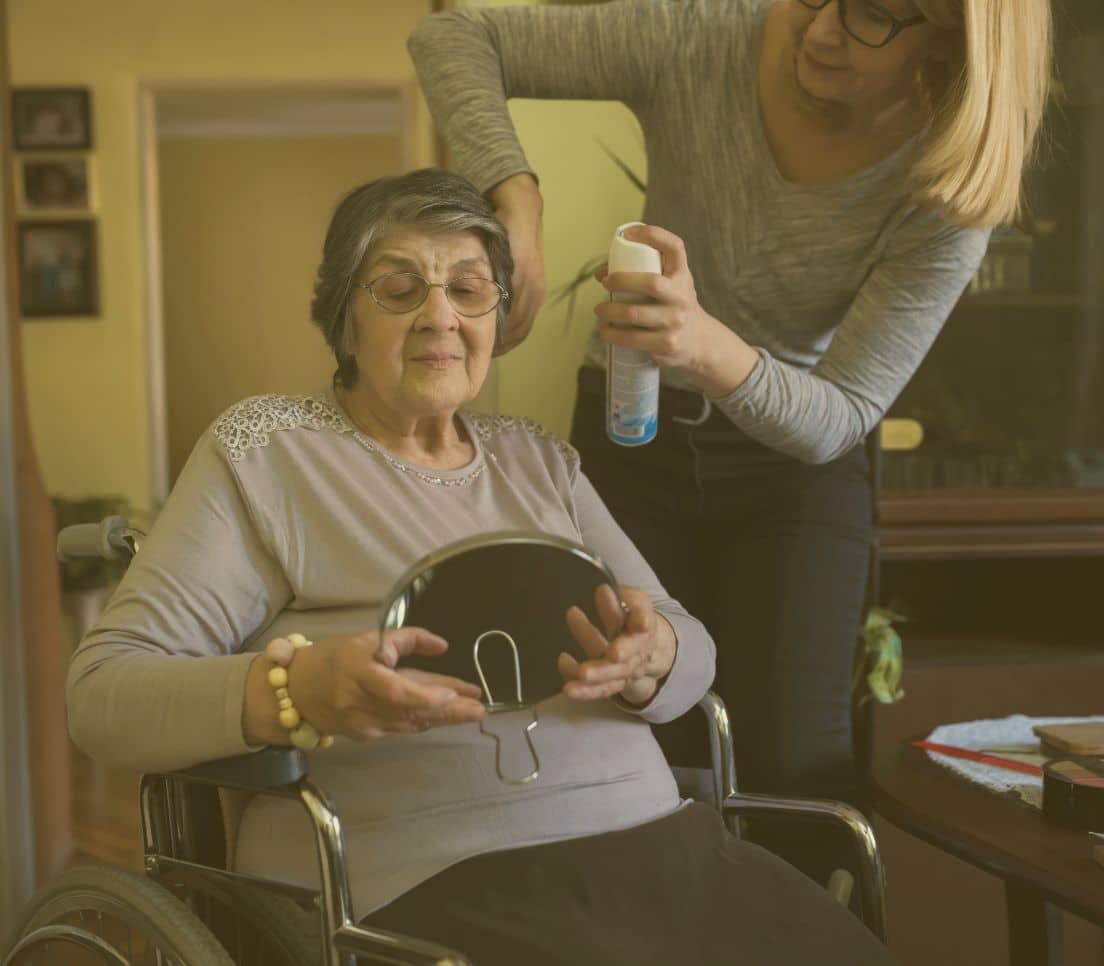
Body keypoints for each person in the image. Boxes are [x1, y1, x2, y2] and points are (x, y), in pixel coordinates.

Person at [67, 169, 894, 966]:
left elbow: (690, 645)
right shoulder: (268, 456)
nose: (440, 317)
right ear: (343, 317)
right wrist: (298, 692)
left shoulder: (536, 460)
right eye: (399, 287)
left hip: (660, 850)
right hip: (431, 881)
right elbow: (104, 695)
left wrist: (654, 657)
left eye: (468, 289)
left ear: (496, 314)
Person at [408, 0, 1052, 884]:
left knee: (795, 764)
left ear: (950, 37)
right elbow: (452, 36)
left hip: (796, 466)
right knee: (620, 731)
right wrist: (511, 192)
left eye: (870, 17)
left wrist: (700, 344)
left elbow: (838, 415)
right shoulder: (706, 33)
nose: (820, 31)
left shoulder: (949, 182)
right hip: (632, 436)